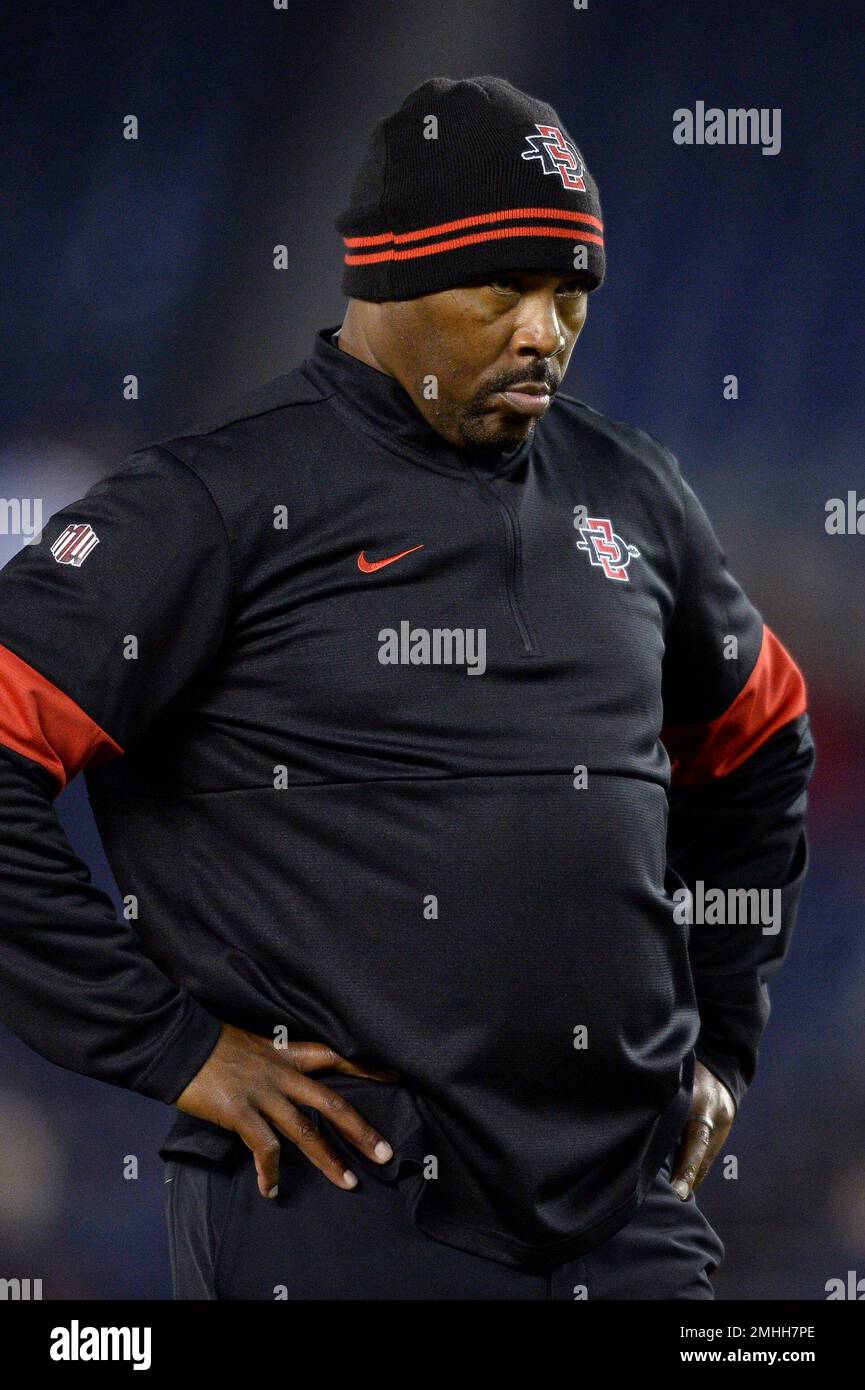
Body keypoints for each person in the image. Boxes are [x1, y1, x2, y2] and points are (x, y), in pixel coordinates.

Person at [0, 76, 814, 1300]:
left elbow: (762, 742)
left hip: (624, 1214)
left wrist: (723, 1035)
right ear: (385, 279)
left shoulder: (635, 493)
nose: (545, 329)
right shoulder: (217, 504)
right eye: (504, 288)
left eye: (569, 290)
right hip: (342, 1201)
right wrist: (172, 1048)